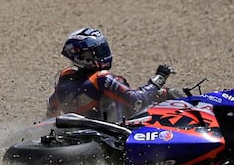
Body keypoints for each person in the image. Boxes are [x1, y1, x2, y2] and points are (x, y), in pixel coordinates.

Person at [46, 28, 183, 122]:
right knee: (168, 93)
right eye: (95, 52)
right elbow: (137, 101)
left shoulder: (65, 78)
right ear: (79, 56)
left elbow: (52, 108)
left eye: (102, 49)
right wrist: (159, 78)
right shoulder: (101, 78)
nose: (102, 55)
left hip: (80, 136)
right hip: (118, 135)